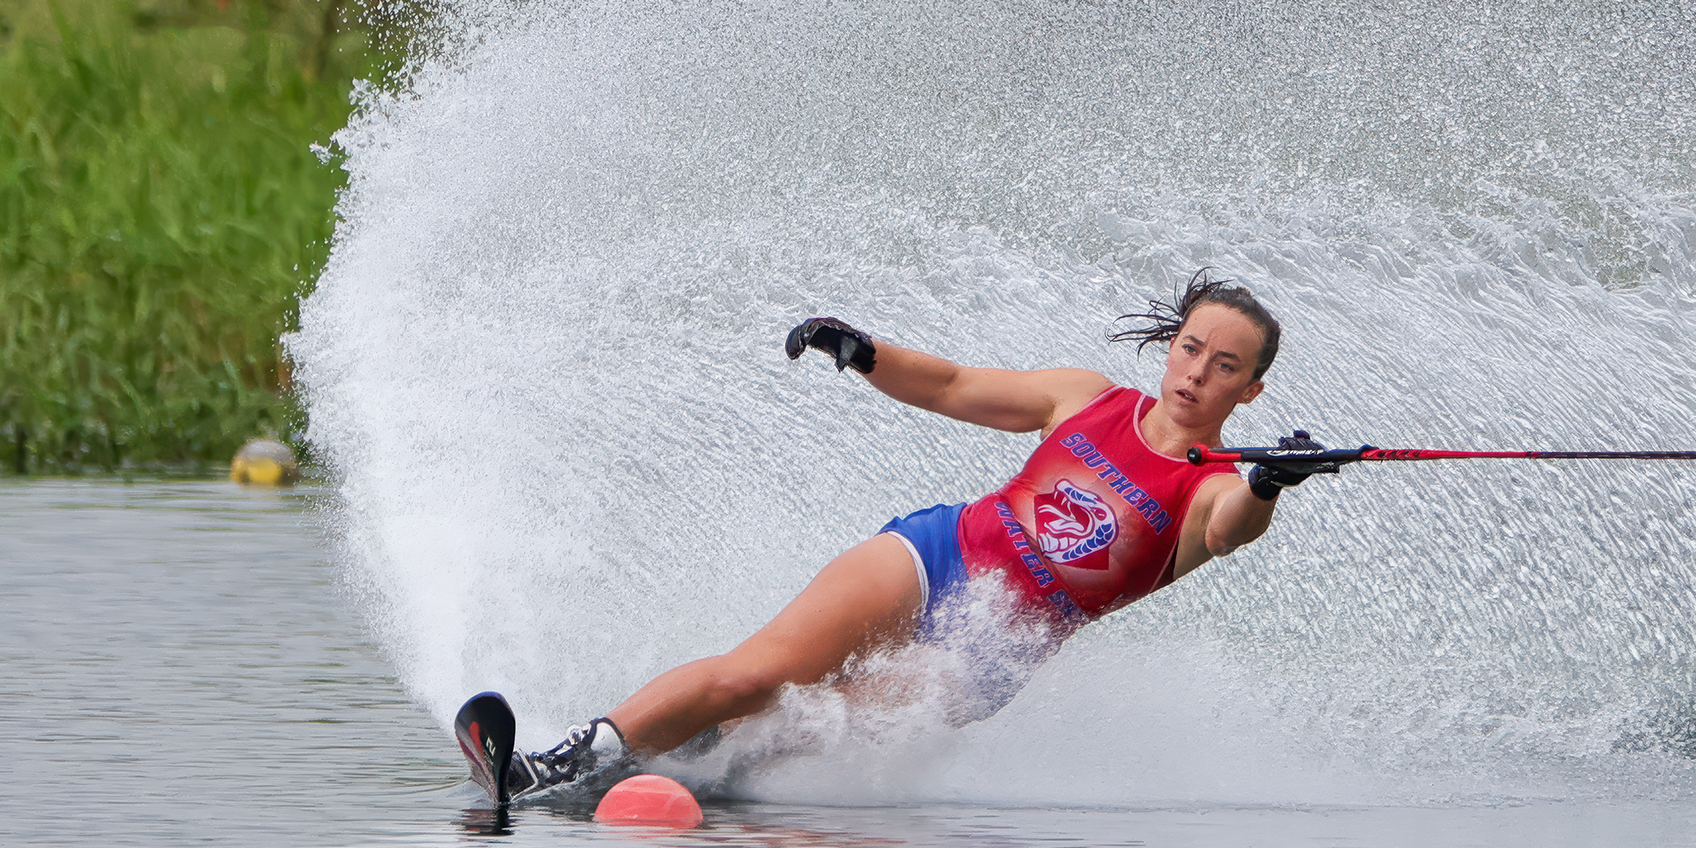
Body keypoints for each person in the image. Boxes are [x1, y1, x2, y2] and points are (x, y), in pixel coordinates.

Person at [502, 270, 1327, 797]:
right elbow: (954, 385)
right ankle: (561, 763)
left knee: (800, 725)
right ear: (1171, 346)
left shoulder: (1213, 487)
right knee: (758, 673)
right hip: (938, 557)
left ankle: (695, 764)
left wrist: (1267, 483)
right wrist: (863, 351)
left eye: (1225, 366)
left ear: (1249, 392)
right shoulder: (1089, 400)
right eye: (1191, 349)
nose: (1196, 373)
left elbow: (1228, 532)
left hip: (988, 651)